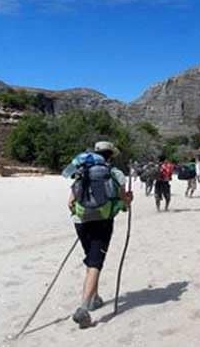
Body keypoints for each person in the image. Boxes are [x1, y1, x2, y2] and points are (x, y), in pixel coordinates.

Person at [66, 141, 133, 329]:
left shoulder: (83, 170)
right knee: (96, 262)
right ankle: (83, 308)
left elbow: (70, 202)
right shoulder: (115, 173)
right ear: (111, 155)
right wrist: (128, 200)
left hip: (80, 222)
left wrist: (82, 213)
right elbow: (123, 202)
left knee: (90, 258)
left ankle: (94, 298)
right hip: (103, 222)